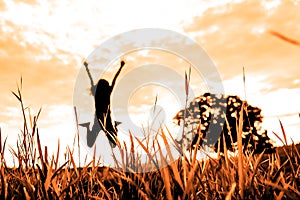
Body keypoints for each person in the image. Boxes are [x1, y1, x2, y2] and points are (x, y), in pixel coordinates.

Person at [95, 60, 125, 147]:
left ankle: (114, 133)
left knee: (106, 135)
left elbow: (91, 80)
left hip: (99, 117)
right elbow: (115, 79)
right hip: (106, 117)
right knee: (110, 134)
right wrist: (121, 67)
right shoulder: (108, 92)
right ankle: (115, 132)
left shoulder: (97, 93)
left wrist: (86, 68)